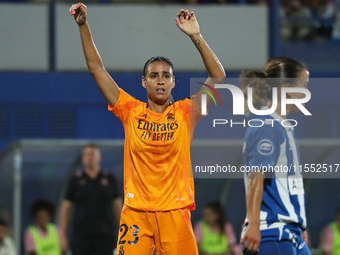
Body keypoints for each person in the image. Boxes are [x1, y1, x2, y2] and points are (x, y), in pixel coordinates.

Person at [68, 3, 225, 254]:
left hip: (175, 213)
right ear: (144, 81)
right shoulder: (130, 110)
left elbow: (217, 76)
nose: (160, 79)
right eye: (153, 75)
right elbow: (97, 68)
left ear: (173, 82)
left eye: (166, 75)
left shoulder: (188, 112)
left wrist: (196, 37)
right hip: (136, 214)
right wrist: (83, 26)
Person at [239, 57, 312, 255]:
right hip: (271, 231)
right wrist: (254, 224)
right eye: (304, 86)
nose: (308, 93)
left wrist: (299, 222)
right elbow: (256, 177)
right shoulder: (267, 125)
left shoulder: (282, 126)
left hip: (289, 231)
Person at [60, 144, 123, 255]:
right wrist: (63, 235)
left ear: (99, 157)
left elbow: (117, 205)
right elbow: (66, 207)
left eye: (93, 154)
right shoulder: (76, 179)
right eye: (87, 155)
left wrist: (121, 230)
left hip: (105, 234)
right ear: (83, 158)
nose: (90, 157)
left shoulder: (109, 178)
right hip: (81, 234)